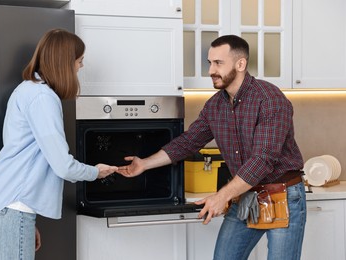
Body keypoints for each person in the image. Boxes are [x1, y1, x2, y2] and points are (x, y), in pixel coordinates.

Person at [117, 35, 306, 260]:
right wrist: (144, 163)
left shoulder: (269, 98)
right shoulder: (215, 105)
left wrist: (222, 196)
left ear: (240, 64)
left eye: (218, 63)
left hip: (282, 195)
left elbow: (263, 159)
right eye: (210, 63)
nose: (211, 71)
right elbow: (188, 142)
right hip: (244, 192)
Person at [0, 29, 118, 260]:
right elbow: (62, 165)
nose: (80, 67)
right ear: (65, 63)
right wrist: (96, 172)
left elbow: (27, 155)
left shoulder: (29, 89)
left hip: (8, 206)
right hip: (11, 208)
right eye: (79, 61)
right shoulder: (42, 98)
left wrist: (25, 219)